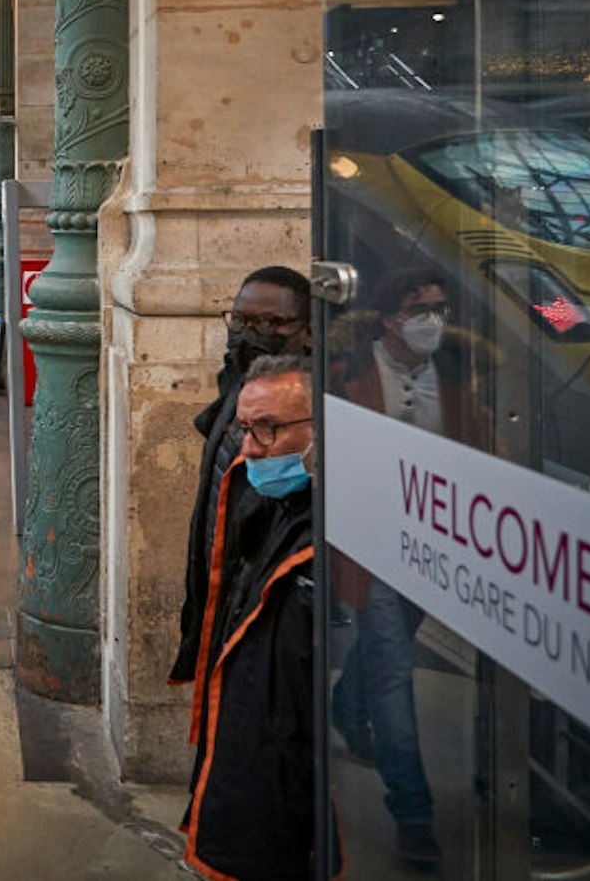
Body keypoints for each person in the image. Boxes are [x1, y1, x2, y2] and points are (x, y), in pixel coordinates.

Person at [328, 267, 483, 870]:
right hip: (372, 544)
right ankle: (412, 811)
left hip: (434, 546)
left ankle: (346, 705)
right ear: (391, 318)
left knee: (384, 646)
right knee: (393, 668)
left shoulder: (456, 376)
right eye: (420, 309)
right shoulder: (348, 372)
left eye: (441, 309)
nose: (432, 322)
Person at [182, 355, 319, 881]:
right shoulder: (259, 499)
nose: (250, 448)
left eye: (269, 430)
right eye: (245, 429)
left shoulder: (337, 542)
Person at [171, 266, 311, 685]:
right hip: (222, 597)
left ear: (308, 331)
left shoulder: (309, 408)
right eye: (243, 321)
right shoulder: (240, 385)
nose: (252, 333)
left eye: (271, 322)